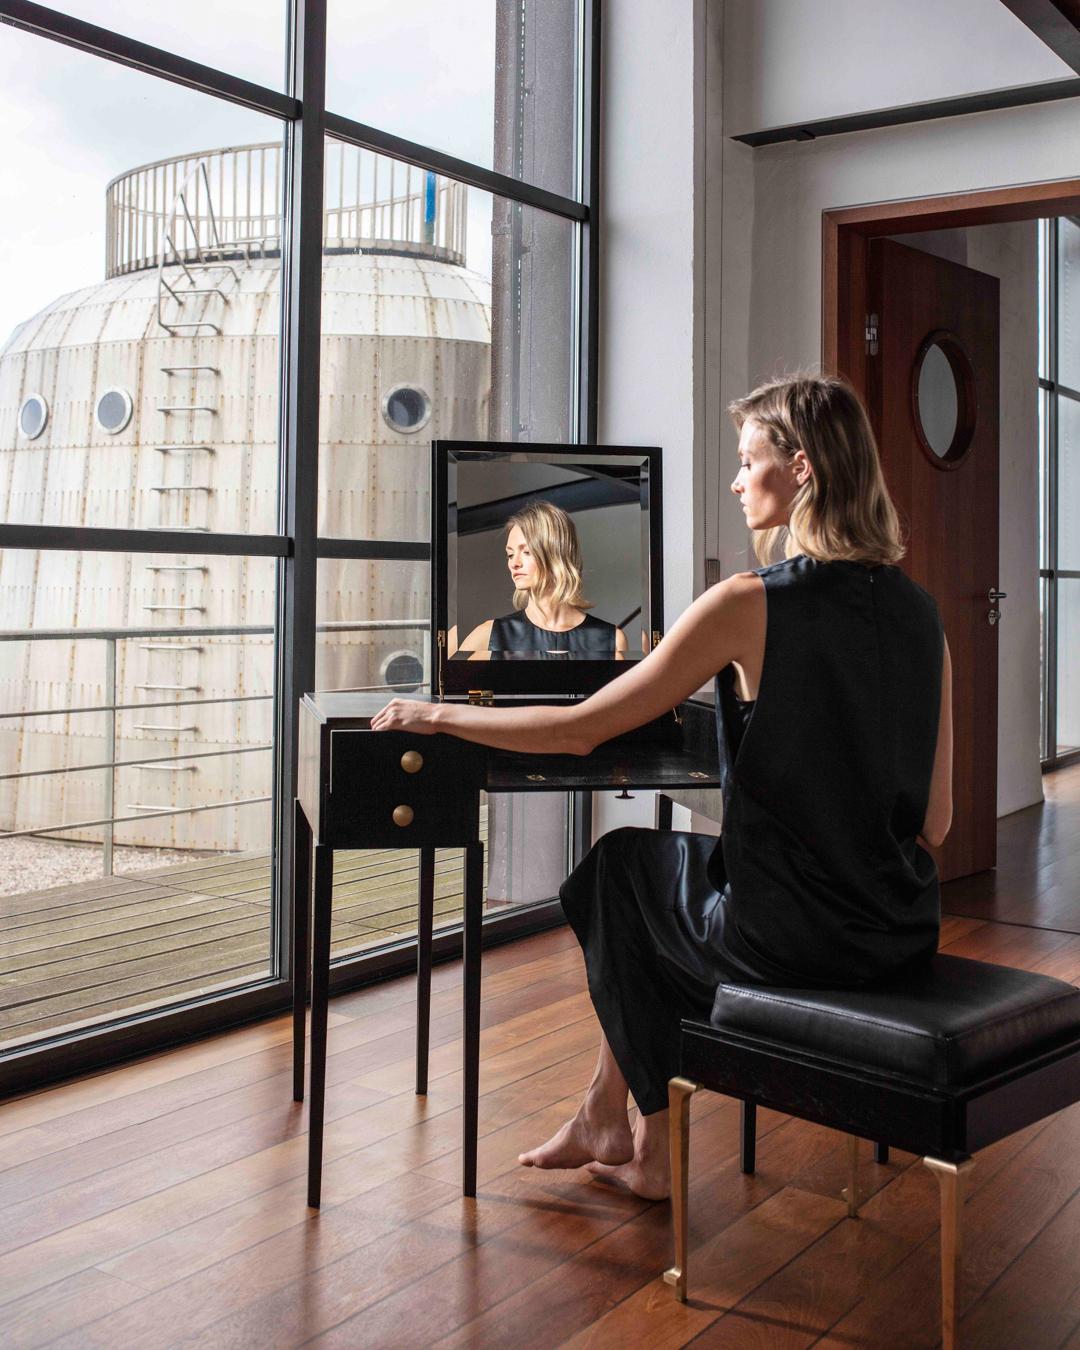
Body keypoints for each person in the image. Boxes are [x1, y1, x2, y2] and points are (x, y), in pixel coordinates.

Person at [372, 372, 953, 1201]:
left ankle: (643, 1136)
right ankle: (611, 1119)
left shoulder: (748, 604)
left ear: (803, 473)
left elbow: (581, 729)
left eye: (749, 460)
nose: (735, 479)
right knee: (668, 881)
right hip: (898, 933)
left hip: (790, 944)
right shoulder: (923, 616)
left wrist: (443, 717)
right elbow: (938, 821)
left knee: (618, 871)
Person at [454, 498, 628, 660]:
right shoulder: (491, 635)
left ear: (556, 555)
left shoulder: (610, 640)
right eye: (510, 554)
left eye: (527, 552)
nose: (514, 563)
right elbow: (443, 684)